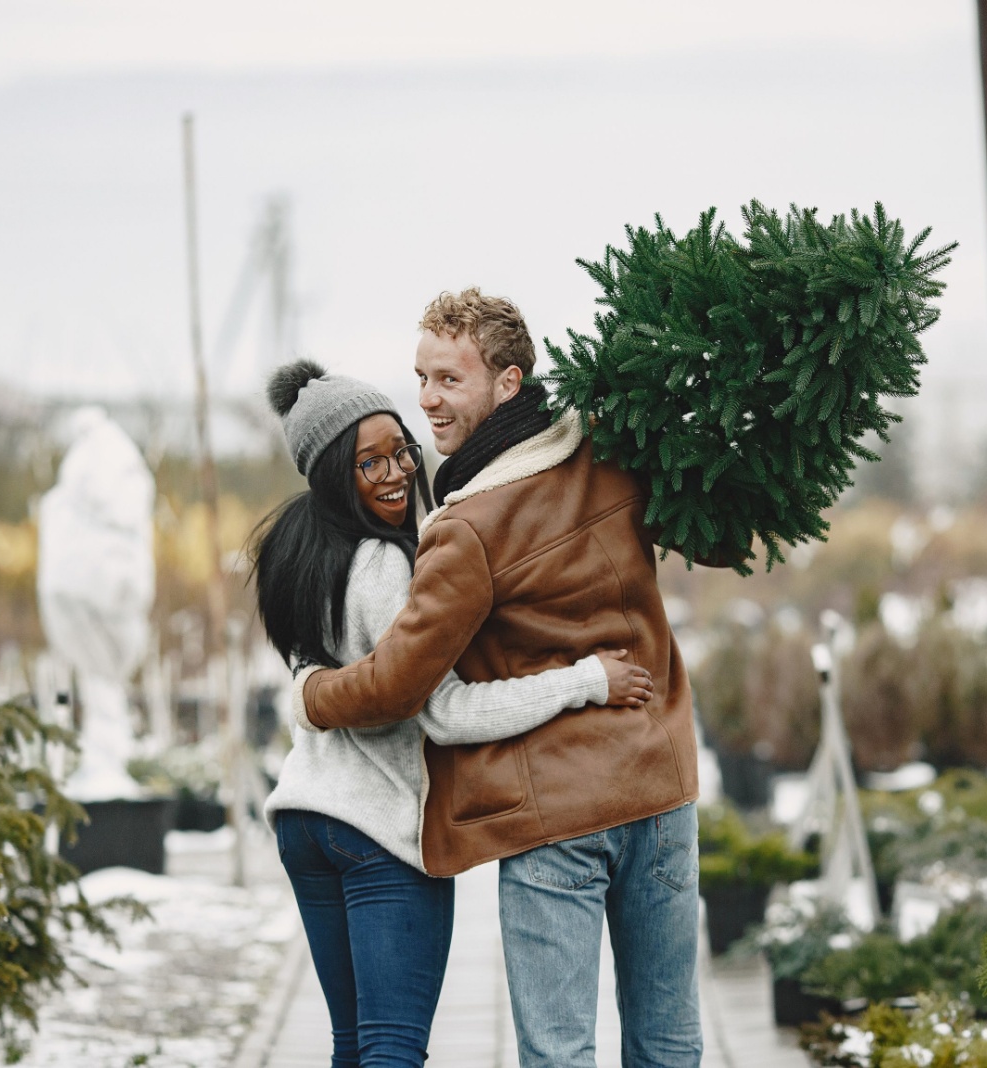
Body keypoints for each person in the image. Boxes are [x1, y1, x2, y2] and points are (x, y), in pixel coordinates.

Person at [293, 288, 705, 1067]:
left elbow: (395, 688)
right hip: (661, 778)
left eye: (449, 379)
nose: (427, 401)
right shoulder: (612, 453)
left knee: (558, 1052)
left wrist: (313, 693)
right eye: (421, 377)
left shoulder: (465, 530)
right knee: (670, 1039)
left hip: (557, 816)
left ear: (508, 383)